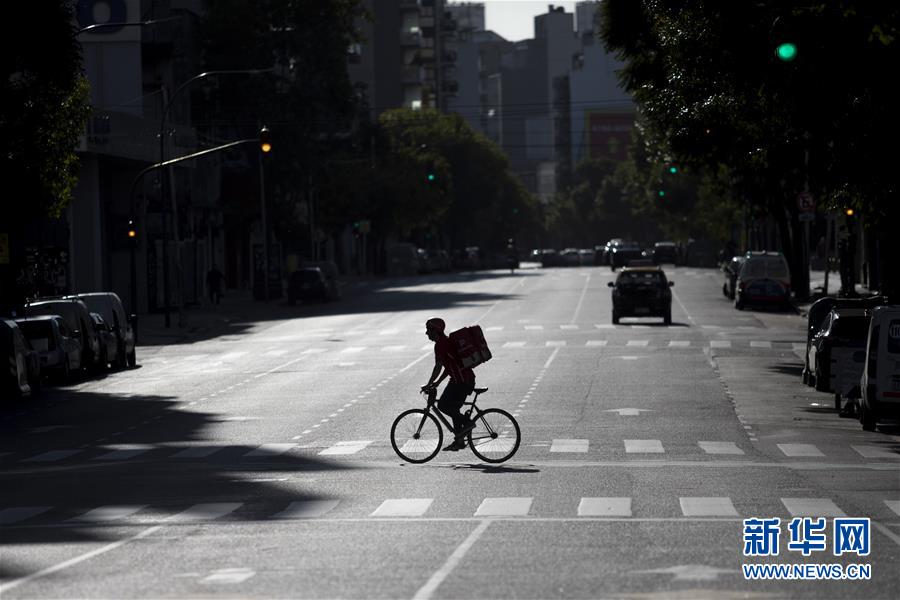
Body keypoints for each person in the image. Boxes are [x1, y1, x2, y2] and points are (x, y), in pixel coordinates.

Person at [421, 317, 476, 451]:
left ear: (435, 331)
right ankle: (459, 441)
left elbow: (438, 366)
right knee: (453, 409)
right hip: (464, 380)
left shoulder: (440, 345)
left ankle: (467, 423)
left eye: (429, 330)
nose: (426, 333)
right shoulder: (445, 342)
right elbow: (449, 366)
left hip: (461, 382)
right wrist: (438, 382)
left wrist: (429, 384)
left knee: (443, 405)